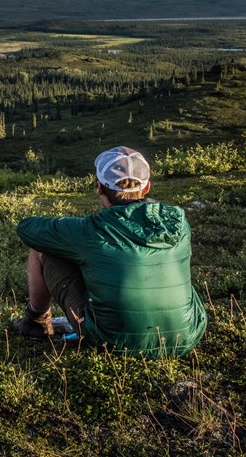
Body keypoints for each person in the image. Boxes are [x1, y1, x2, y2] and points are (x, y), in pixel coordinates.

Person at [14, 146, 207, 358]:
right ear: (147, 187)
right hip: (186, 337)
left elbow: (27, 229)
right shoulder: (179, 223)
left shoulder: (91, 230)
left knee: (42, 249)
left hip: (110, 340)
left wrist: (66, 227)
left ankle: (36, 321)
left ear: (99, 187)